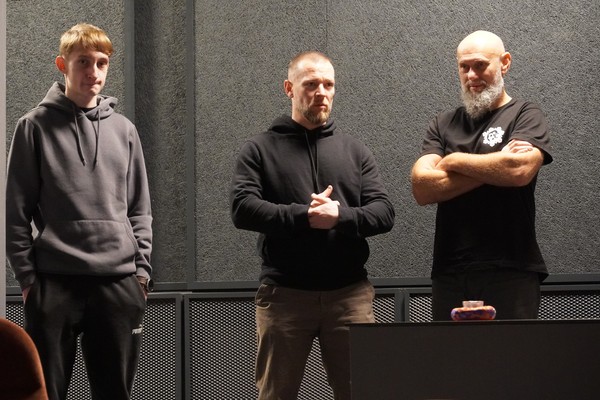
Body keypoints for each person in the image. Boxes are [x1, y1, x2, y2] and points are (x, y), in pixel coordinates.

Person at [230, 51, 395, 399]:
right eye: (311, 84)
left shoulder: (355, 152)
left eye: (328, 85)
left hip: (349, 295)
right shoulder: (259, 149)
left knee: (362, 392)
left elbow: (384, 213)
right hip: (284, 296)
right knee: (276, 394)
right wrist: (303, 215)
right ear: (289, 88)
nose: (321, 92)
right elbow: (242, 209)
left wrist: (340, 216)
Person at [6, 23, 153, 400]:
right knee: (47, 394)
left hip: (119, 284)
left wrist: (140, 275)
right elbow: (15, 212)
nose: (94, 71)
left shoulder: (124, 130)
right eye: (83, 61)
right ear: (62, 64)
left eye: (102, 62)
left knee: (114, 393)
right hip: (54, 284)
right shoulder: (33, 127)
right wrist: (28, 280)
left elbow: (139, 209)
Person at [411, 30, 552, 321]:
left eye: (480, 65)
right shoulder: (443, 124)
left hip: (512, 269)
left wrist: (454, 160)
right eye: (464, 67)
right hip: (451, 271)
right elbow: (422, 188)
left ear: (505, 63)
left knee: (511, 352)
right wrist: (497, 165)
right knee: (450, 353)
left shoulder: (526, 114)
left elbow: (519, 170)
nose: (471, 75)